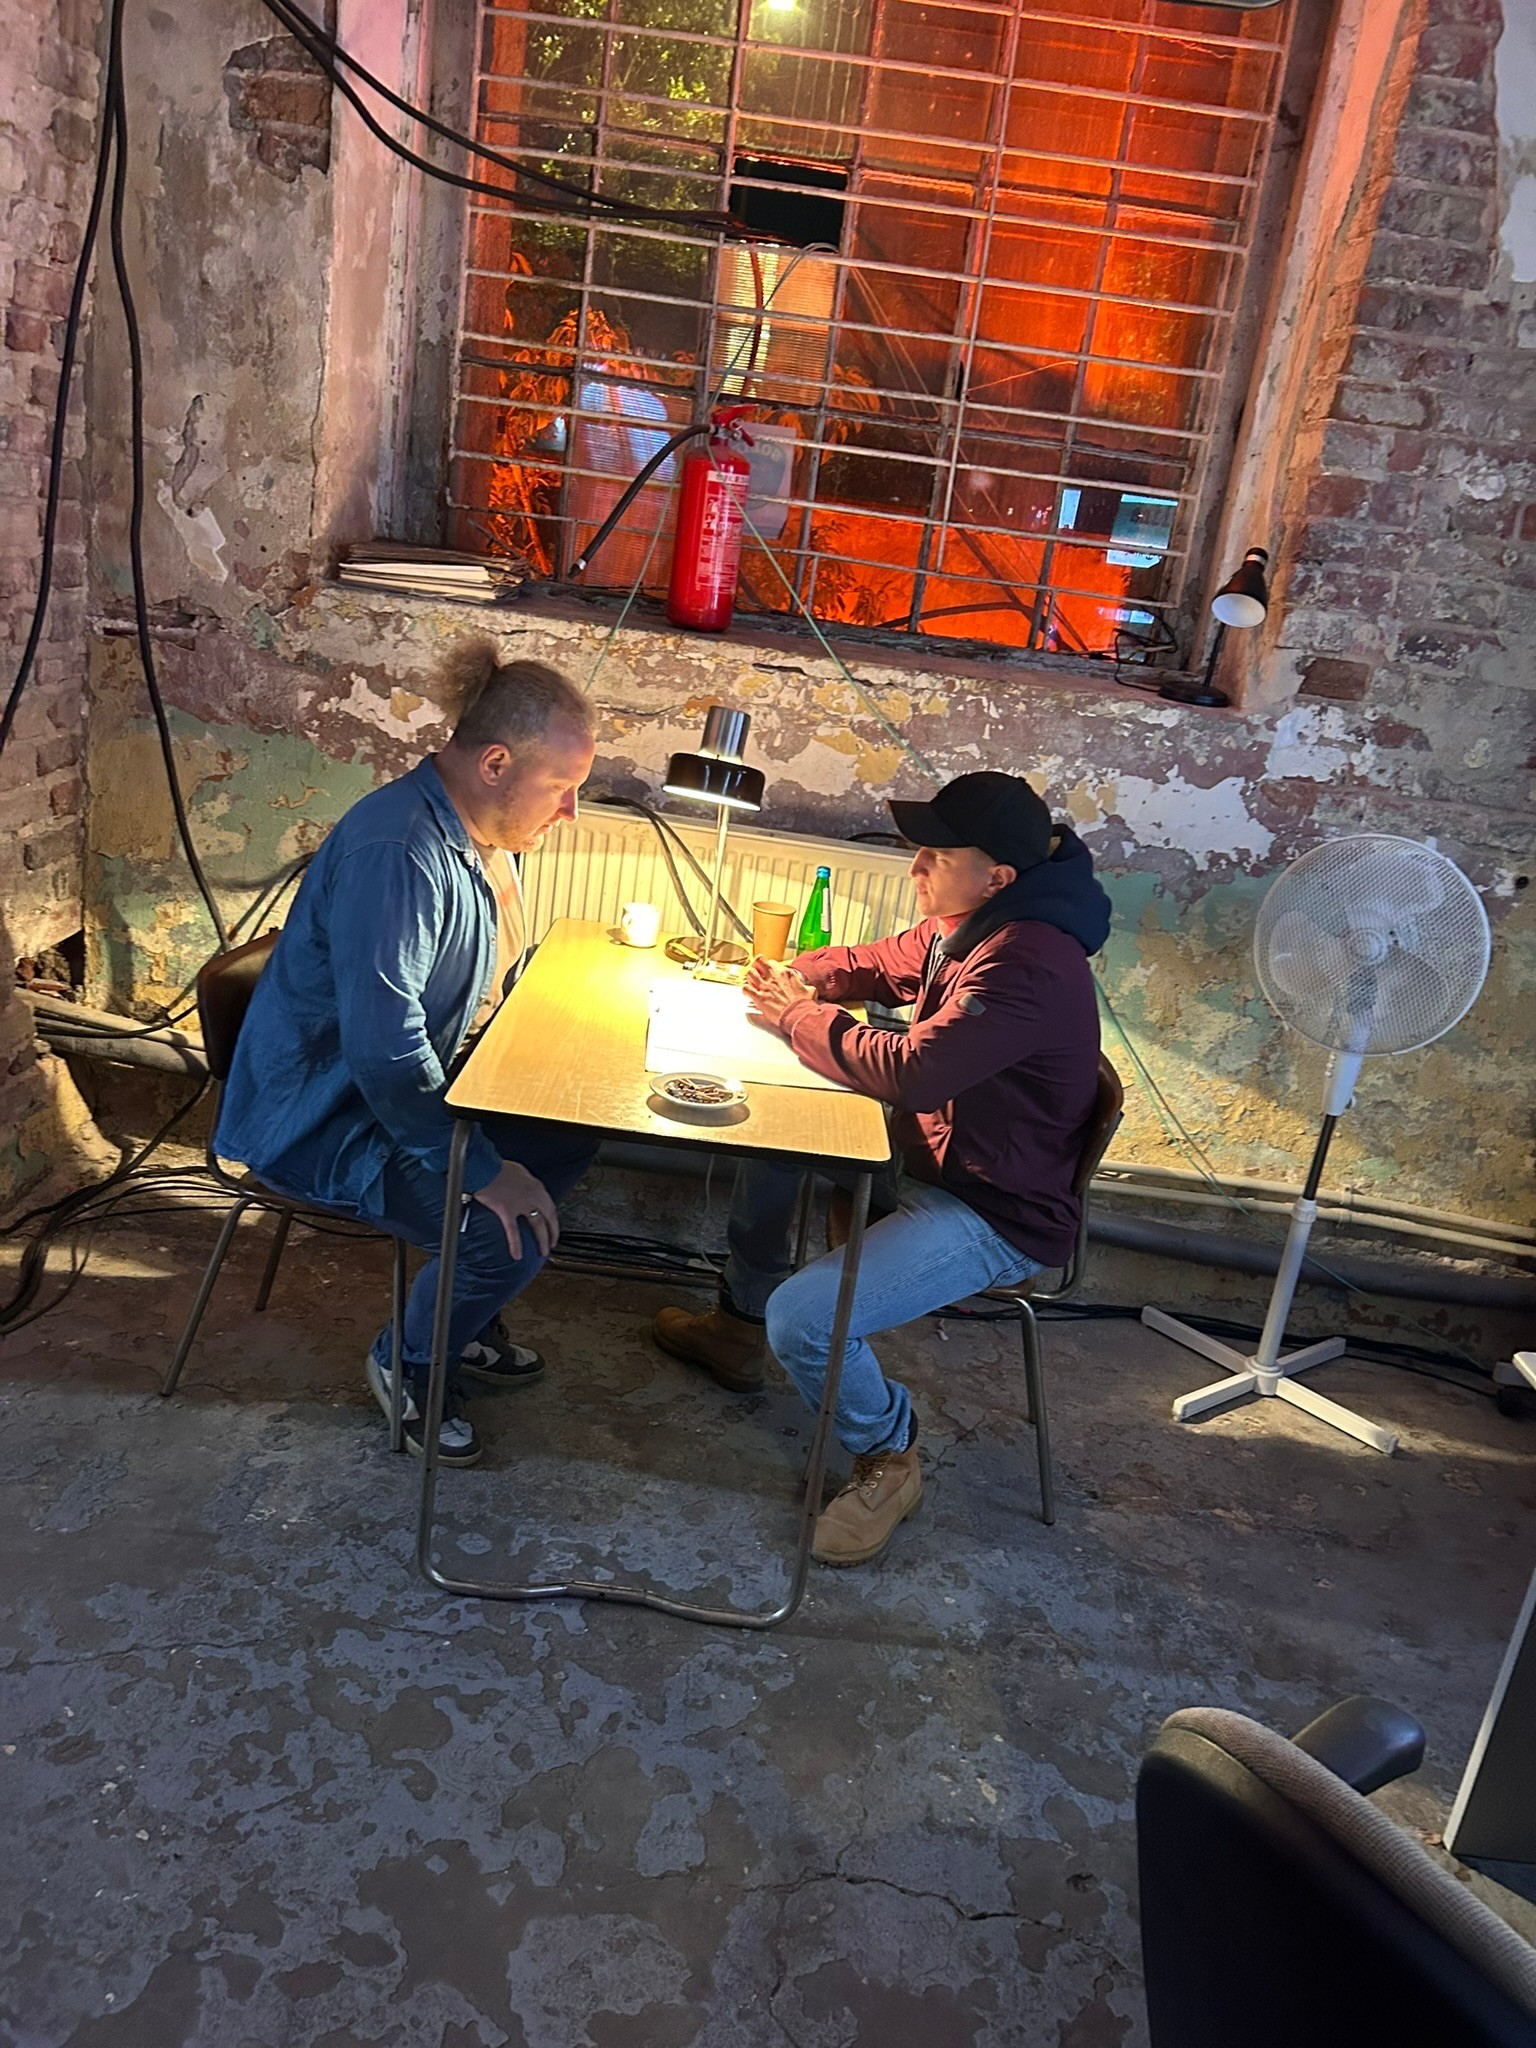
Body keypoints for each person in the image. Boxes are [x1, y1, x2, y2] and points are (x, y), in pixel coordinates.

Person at [653, 771, 1111, 1567]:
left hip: (993, 1210)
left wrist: (799, 1017)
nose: (915, 866)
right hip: (937, 1161)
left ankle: (888, 1454)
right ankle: (736, 1326)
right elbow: (882, 960)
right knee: (774, 1147)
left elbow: (914, 1073)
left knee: (806, 1319)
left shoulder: (1027, 959)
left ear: (998, 876)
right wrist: (806, 974)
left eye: (937, 856)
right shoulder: (972, 923)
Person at [216, 637, 600, 1467]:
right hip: (323, 1122)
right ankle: (412, 1360)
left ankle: (464, 1315)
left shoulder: (472, 837)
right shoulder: (400, 852)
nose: (571, 810)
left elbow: (471, 997)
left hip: (382, 1099)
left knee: (568, 1133)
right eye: (561, 787)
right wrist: (482, 1170)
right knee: (508, 1231)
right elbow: (388, 1054)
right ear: (496, 763)